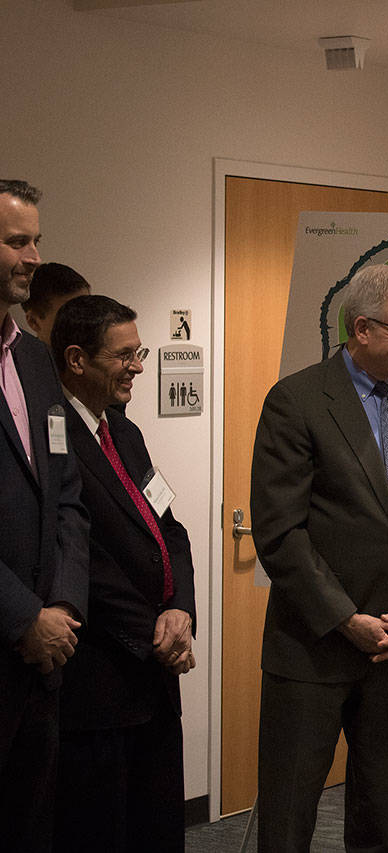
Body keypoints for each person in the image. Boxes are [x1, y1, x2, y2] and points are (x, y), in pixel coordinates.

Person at [251, 263, 388, 852]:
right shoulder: (297, 401)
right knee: (289, 822)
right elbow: (280, 533)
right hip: (313, 650)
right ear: (362, 329)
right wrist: (348, 620)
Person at [50, 294, 196, 851]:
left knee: (157, 827)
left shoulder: (123, 431)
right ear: (77, 359)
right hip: (100, 679)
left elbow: (170, 530)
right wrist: (153, 632)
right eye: (125, 355)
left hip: (155, 672)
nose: (139, 366)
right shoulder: (52, 434)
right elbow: (81, 557)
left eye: (141, 352)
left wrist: (181, 608)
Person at [0, 179, 90, 852]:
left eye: (36, 240)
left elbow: (65, 496)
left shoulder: (35, 358)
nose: (33, 257)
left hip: (42, 664)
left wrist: (59, 607)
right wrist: (22, 616)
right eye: (16, 241)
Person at [22, 262, 90, 345]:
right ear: (34, 322)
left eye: (87, 312)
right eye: (69, 317)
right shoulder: (15, 357)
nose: (84, 324)